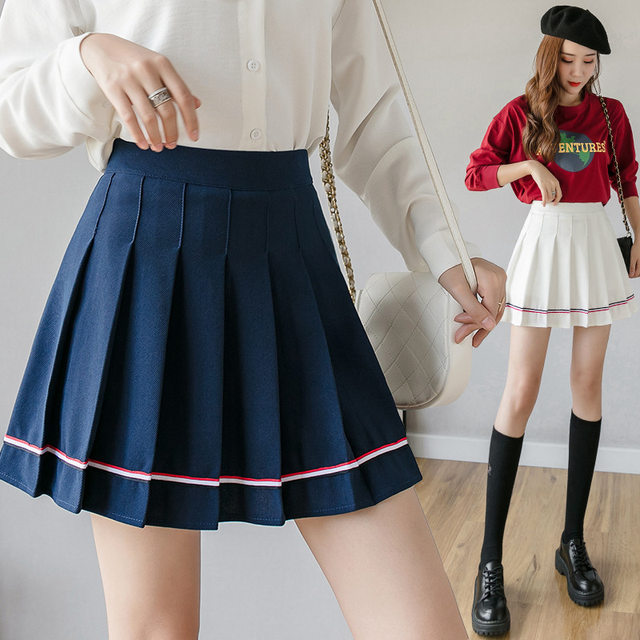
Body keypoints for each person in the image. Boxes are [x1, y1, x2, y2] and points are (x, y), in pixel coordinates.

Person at [0, 1, 507, 638]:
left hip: (289, 253)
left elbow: (373, 113)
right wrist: (88, 57)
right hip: (149, 253)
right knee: (155, 628)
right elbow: (11, 108)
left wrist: (445, 250)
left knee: (419, 626)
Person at [464, 5, 639, 637]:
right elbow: (477, 171)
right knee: (521, 391)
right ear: (549, 56)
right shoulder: (522, 112)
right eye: (568, 59)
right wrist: (531, 166)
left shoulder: (610, 115)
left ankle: (572, 541)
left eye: (589, 61)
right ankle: (489, 561)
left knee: (587, 386)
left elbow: (628, 180)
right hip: (543, 246)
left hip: (595, 248)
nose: (578, 71)